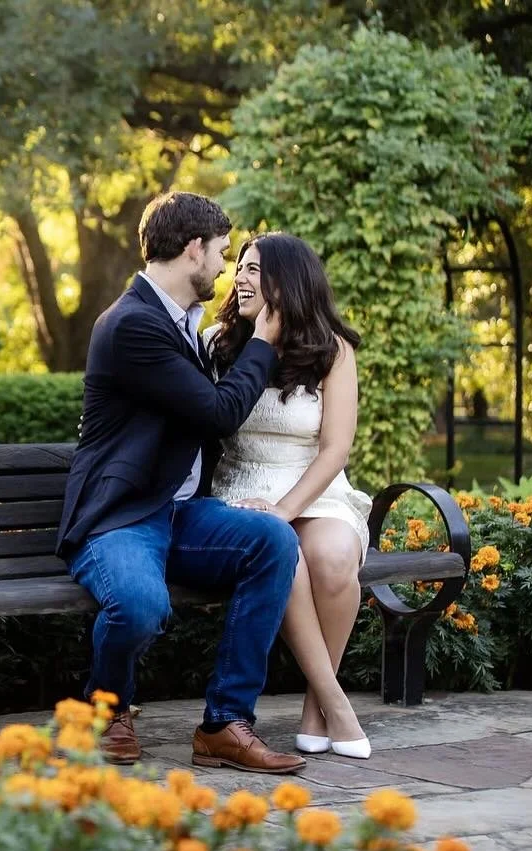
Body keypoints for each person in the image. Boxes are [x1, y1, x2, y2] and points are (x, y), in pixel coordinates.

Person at [57, 191, 306, 774]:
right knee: (141, 605)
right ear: (194, 248)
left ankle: (225, 724)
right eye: (221, 251)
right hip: (120, 516)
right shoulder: (133, 325)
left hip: (180, 512)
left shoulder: (182, 323)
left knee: (273, 540)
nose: (224, 267)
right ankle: (106, 708)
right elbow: (219, 412)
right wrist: (264, 342)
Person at [206, 232, 372, 759]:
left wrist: (285, 509)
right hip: (244, 486)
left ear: (289, 282)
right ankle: (335, 702)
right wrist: (271, 515)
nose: (240, 278)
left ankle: (314, 707)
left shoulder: (332, 350)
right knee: (286, 556)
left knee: (335, 557)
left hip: (314, 488)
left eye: (254, 269)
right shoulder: (217, 344)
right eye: (239, 267)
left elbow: (335, 448)